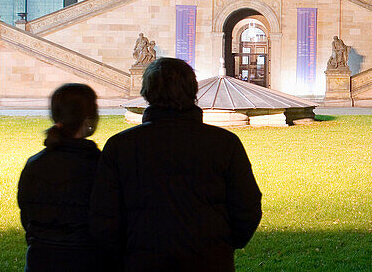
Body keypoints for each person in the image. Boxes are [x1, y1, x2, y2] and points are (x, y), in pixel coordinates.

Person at [91, 58, 262, 271]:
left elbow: (104, 215)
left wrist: (125, 254)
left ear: (147, 93)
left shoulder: (120, 146)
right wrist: (223, 243)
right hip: (209, 260)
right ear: (192, 91)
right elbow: (247, 206)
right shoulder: (224, 143)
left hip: (143, 261)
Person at [18, 83, 103, 271]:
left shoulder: (34, 164)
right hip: (88, 260)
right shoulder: (100, 166)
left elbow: (27, 217)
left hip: (40, 259)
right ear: (89, 118)